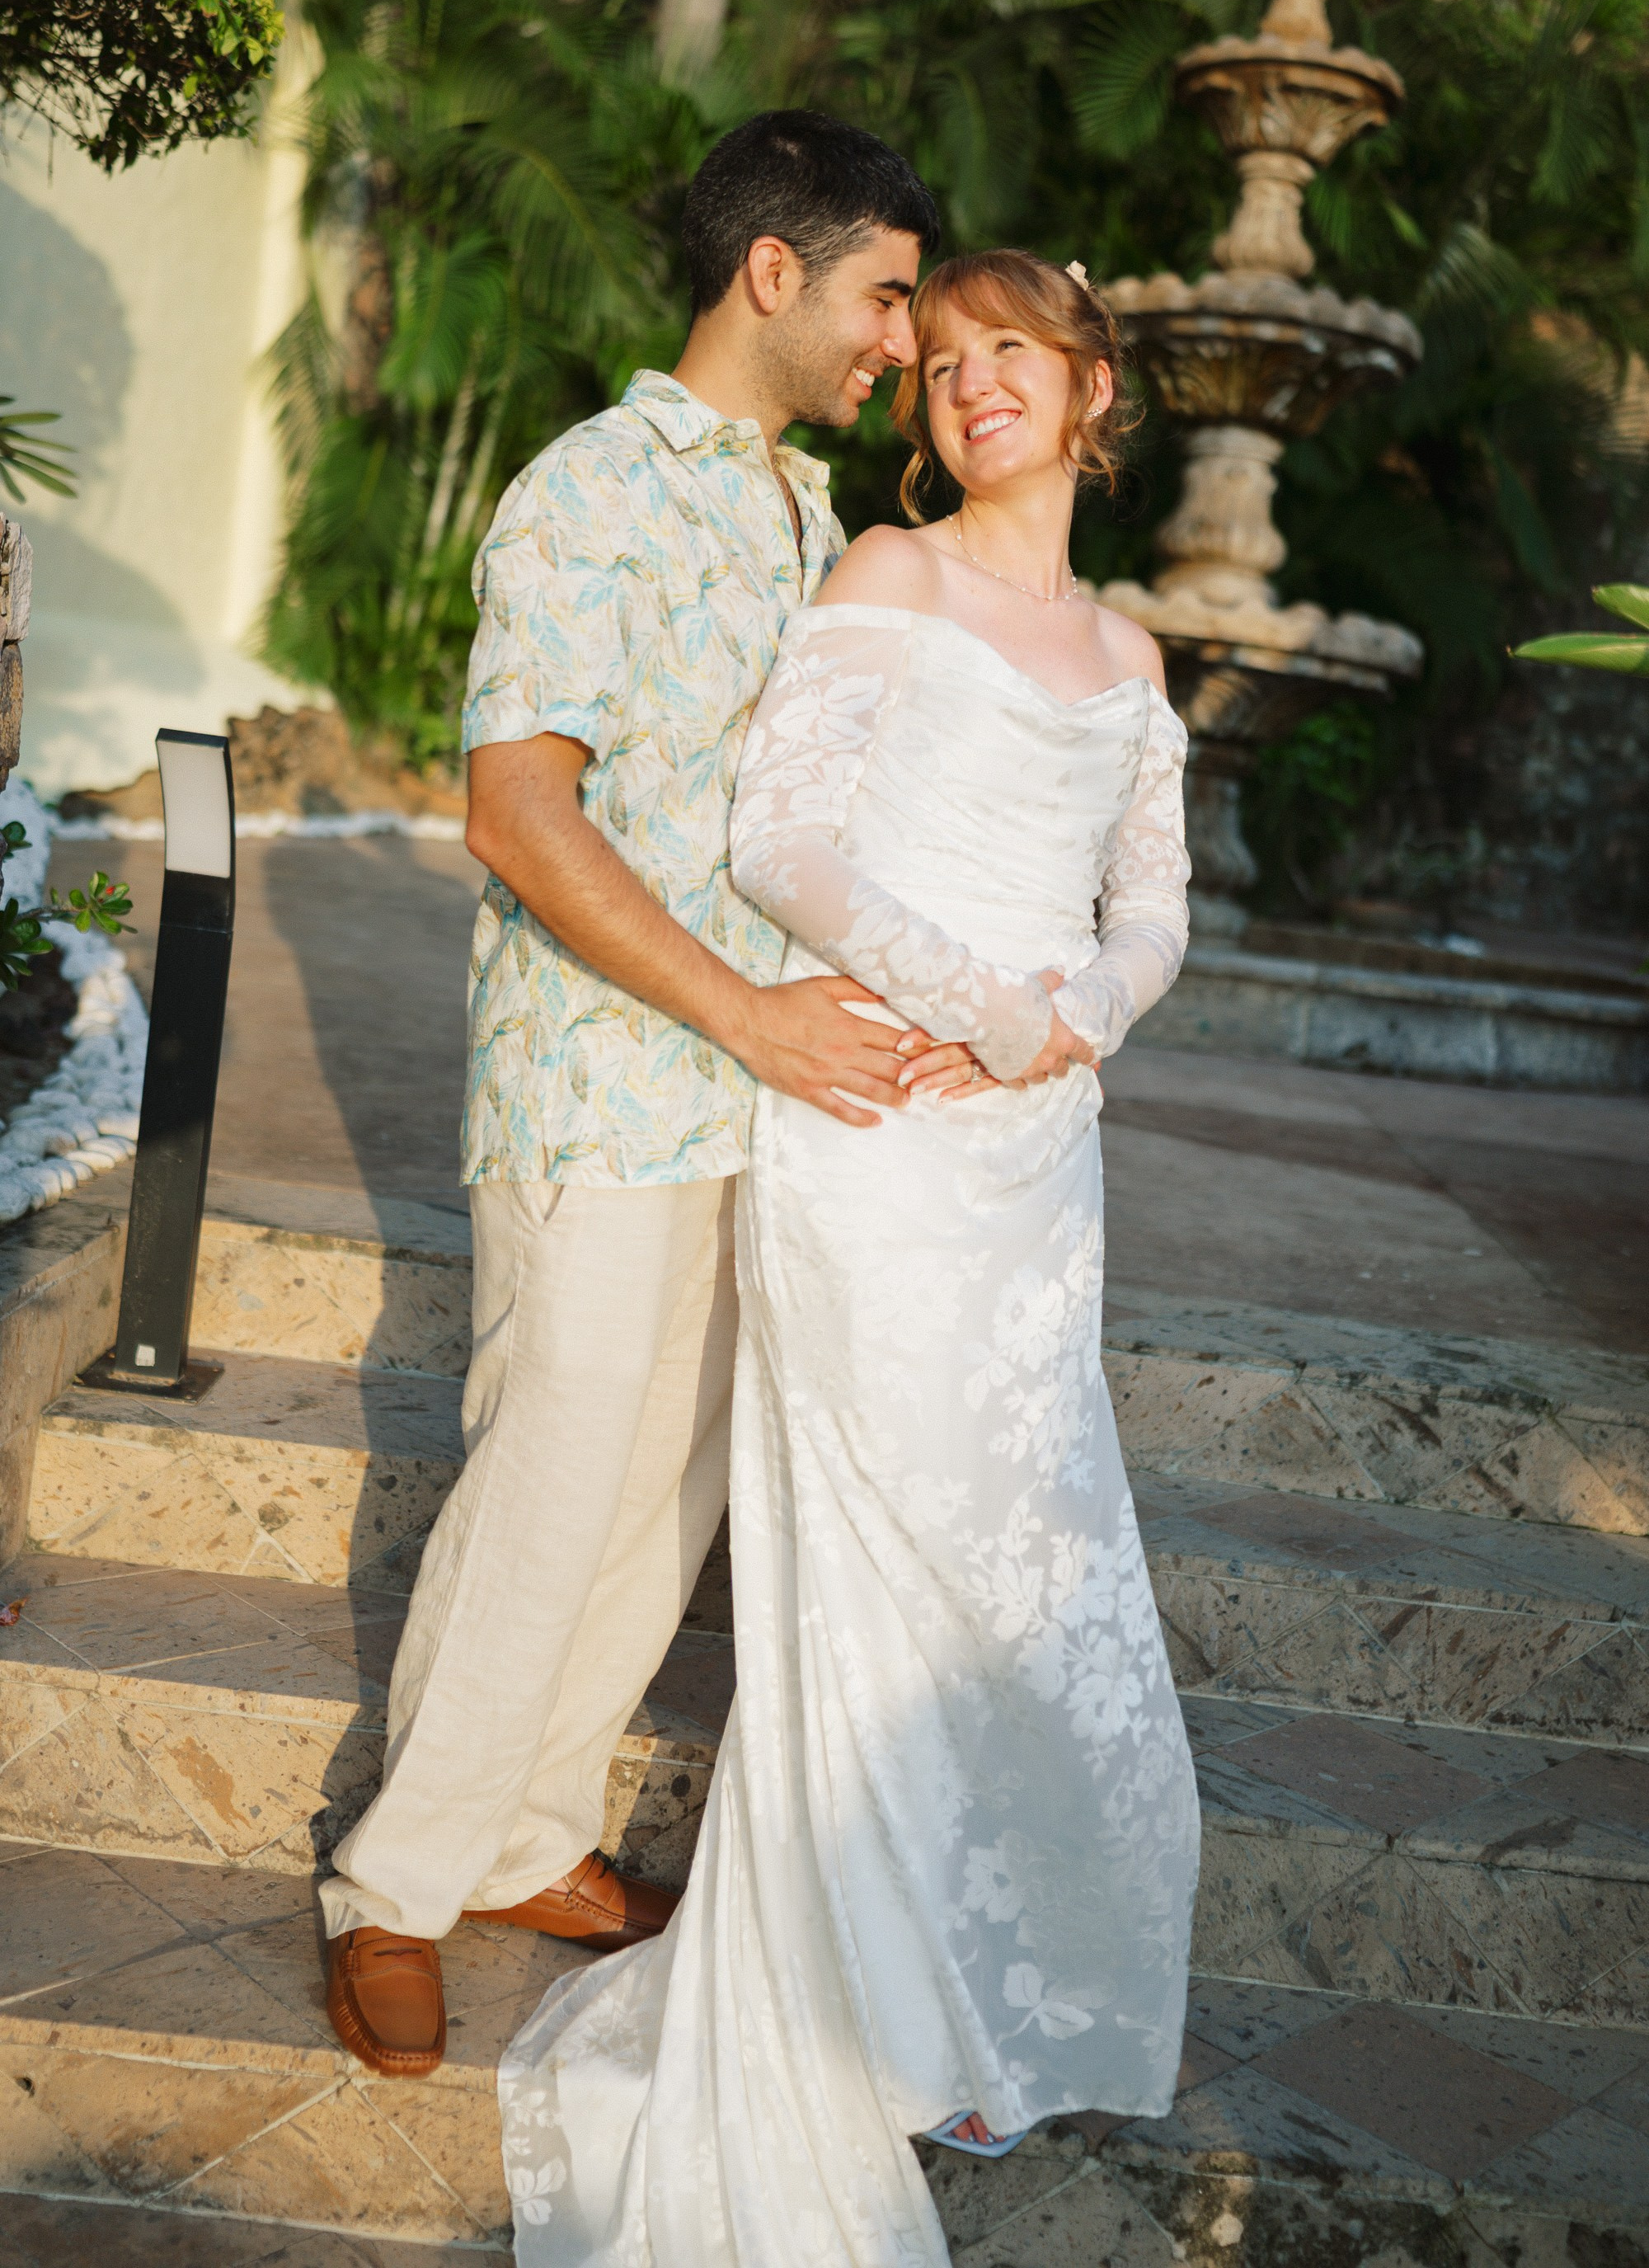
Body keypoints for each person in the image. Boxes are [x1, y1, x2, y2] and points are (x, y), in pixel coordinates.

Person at [496, 247, 1202, 2262]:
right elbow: (779, 848)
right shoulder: (887, 585)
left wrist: (1091, 1011)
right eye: (947, 359)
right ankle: (870, 2011)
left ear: (1087, 394)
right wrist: (980, 1000)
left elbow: (1155, 904)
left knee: (1018, 1555)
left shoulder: (1134, 660)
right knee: (880, 1561)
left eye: (1013, 356)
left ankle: (994, 1988)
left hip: (1038, 1160)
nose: (972, 383)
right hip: (883, 1129)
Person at [319, 111, 981, 2076]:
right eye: (882, 298)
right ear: (769, 272)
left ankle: (529, 1834)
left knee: (660, 1502)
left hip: (756, 1111)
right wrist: (747, 1015)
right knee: (550, 1485)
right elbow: (519, 814)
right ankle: (396, 1886)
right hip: (606, 1085)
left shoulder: (799, 517)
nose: (898, 343)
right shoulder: (589, 493)